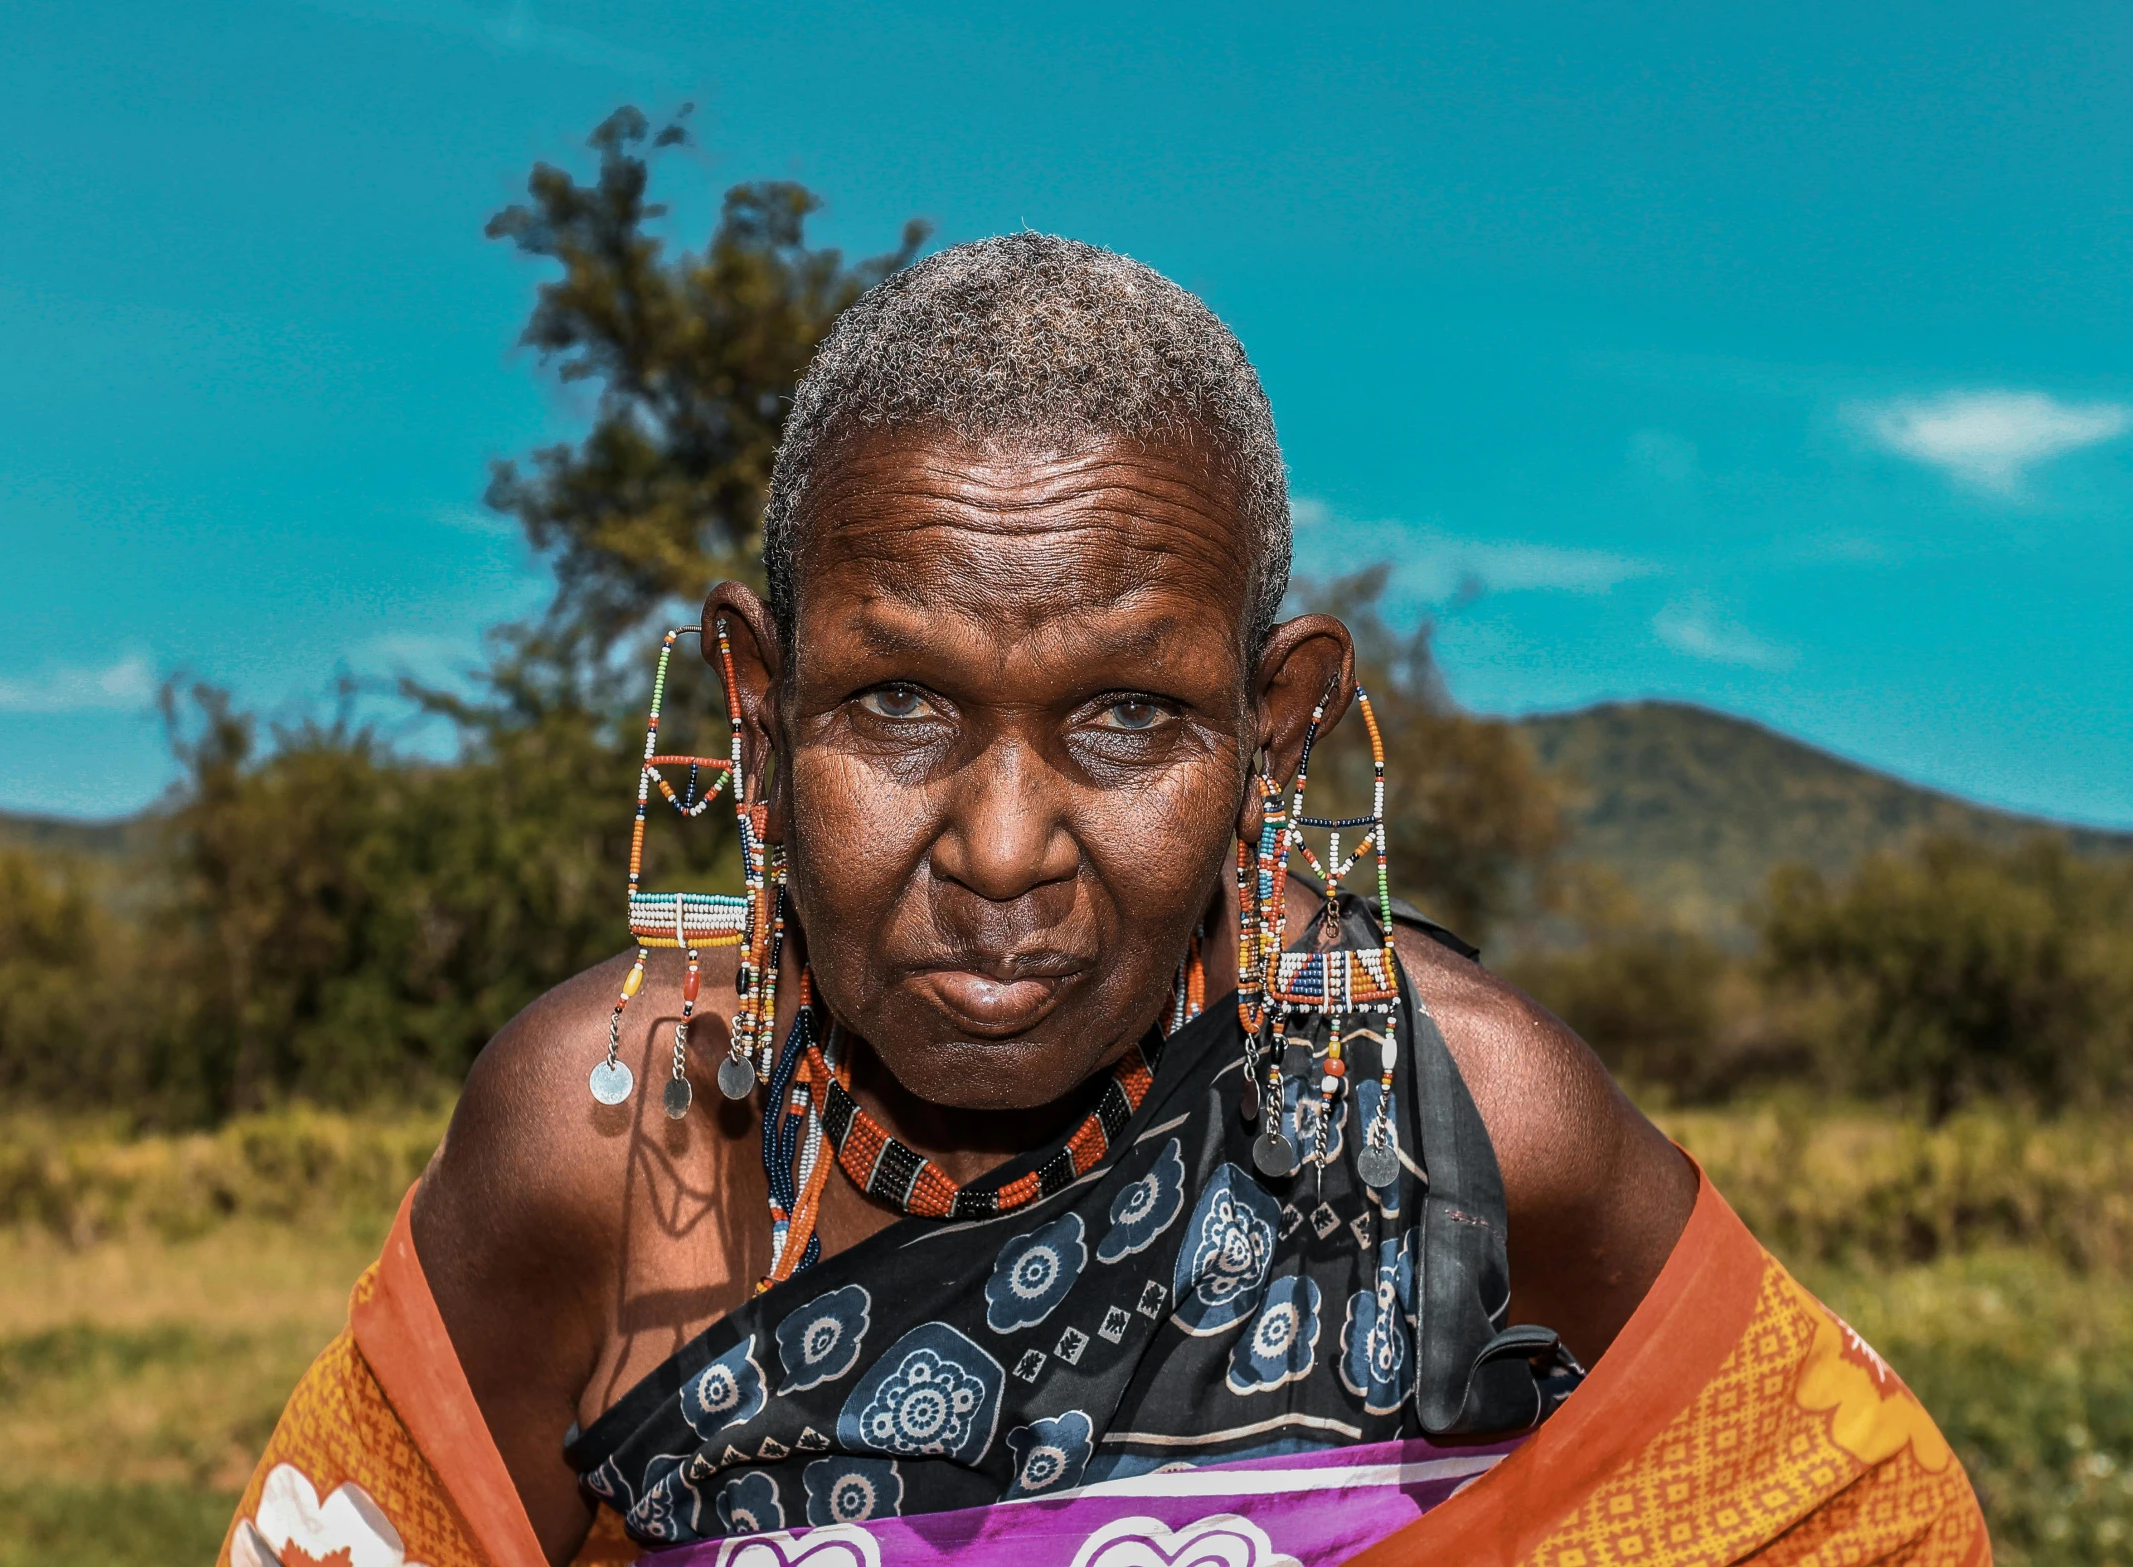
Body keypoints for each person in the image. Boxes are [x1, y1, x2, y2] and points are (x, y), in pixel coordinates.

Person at [221, 235, 1987, 1567]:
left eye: (1125, 717)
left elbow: (1864, 1520)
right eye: (897, 703)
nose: (1001, 847)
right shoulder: (622, 1160)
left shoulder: (1461, 1136)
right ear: (756, 721)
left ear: (1270, 733)